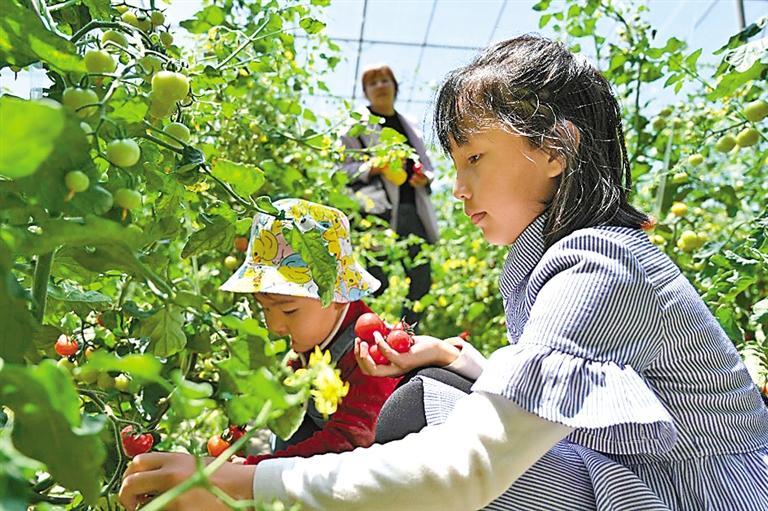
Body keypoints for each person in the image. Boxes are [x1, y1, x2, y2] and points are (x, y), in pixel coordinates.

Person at [120, 36, 768, 511]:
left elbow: (469, 467)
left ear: (554, 148)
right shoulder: (575, 257)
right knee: (434, 387)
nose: (458, 189)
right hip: (647, 474)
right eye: (454, 165)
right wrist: (453, 356)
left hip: (703, 494)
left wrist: (241, 484)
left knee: (422, 419)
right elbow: (559, 405)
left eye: (475, 158)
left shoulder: (599, 268)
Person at [341, 64, 440, 326]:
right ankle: (371, 329)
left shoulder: (409, 126)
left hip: (411, 209)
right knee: (377, 276)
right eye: (372, 83)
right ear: (365, 92)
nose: (380, 86)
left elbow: (425, 165)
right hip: (375, 211)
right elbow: (340, 171)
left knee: (421, 276)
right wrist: (374, 166)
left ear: (395, 87)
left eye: (385, 80)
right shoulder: (356, 126)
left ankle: (406, 332)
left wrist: (423, 177)